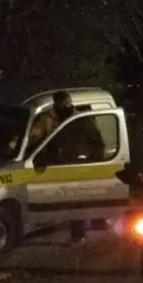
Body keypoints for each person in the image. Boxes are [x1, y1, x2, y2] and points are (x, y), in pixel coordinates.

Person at [28, 91, 92, 243]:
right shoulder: (47, 118)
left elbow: (93, 140)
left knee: (77, 200)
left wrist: (90, 159)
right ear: (56, 103)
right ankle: (52, 225)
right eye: (62, 103)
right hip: (54, 164)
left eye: (67, 102)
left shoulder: (80, 118)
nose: (66, 105)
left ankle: (78, 234)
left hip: (75, 164)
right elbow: (34, 136)